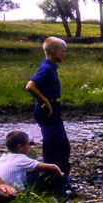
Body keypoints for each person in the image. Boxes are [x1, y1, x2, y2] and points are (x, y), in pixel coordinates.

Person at [25, 36, 73, 191]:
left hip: (53, 108)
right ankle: (53, 181)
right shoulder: (46, 68)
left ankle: (63, 180)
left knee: (62, 145)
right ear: (53, 51)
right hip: (47, 110)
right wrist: (45, 100)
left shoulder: (51, 67)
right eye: (63, 51)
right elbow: (30, 86)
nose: (65, 54)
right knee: (53, 146)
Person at [0, 131, 64, 193]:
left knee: (32, 173)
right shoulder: (21, 159)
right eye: (28, 144)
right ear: (20, 146)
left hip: (2, 191)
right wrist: (61, 173)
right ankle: (64, 200)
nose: (29, 147)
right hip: (17, 193)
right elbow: (53, 167)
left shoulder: (3, 157)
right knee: (53, 176)